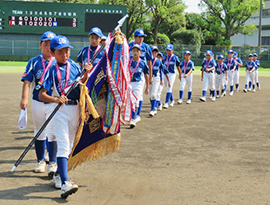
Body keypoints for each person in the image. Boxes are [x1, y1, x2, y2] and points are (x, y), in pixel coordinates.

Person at [39, 35, 92, 198]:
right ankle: (65, 184)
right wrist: (56, 99)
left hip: (76, 109)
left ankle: (59, 176)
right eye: (60, 52)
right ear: (53, 53)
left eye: (67, 51)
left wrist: (87, 73)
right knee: (62, 145)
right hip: (60, 110)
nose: (64, 55)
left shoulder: (75, 66)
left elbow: (82, 83)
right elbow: (41, 94)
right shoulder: (51, 71)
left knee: (69, 146)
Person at [20, 31, 57, 176]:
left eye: (51, 44)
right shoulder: (34, 62)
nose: (48, 47)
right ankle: (40, 160)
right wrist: (24, 98)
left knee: (53, 133)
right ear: (40, 45)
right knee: (39, 132)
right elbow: (27, 82)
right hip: (38, 102)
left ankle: (53, 162)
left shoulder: (58, 61)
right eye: (45, 44)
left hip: (54, 102)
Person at [128, 29, 152, 122]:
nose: (141, 39)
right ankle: (132, 114)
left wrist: (150, 76)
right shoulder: (129, 45)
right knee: (130, 97)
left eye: (142, 37)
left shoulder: (146, 47)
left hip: (141, 72)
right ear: (135, 37)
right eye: (139, 37)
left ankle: (137, 114)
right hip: (130, 73)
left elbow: (149, 62)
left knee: (139, 95)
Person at [129, 44, 149, 128]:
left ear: (140, 52)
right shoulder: (129, 61)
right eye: (134, 51)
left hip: (138, 83)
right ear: (131, 52)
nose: (135, 52)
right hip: (129, 83)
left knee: (135, 100)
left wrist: (147, 86)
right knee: (129, 101)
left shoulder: (142, 62)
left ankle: (133, 118)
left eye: (137, 51)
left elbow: (146, 74)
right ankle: (132, 116)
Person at [149, 46, 170, 116]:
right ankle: (159, 104)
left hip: (156, 77)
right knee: (150, 95)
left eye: (156, 52)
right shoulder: (148, 60)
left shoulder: (159, 61)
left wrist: (161, 79)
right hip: (150, 78)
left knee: (154, 94)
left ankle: (153, 109)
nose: (154, 53)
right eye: (153, 52)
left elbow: (161, 71)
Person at [162, 43, 181, 108]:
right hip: (165, 74)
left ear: (172, 50)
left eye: (170, 50)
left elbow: (178, 66)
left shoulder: (175, 57)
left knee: (169, 87)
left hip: (172, 73)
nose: (168, 51)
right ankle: (172, 100)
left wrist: (180, 74)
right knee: (167, 88)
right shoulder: (164, 58)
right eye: (167, 50)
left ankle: (166, 102)